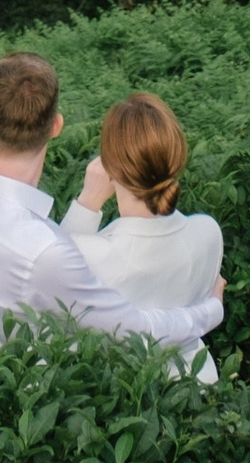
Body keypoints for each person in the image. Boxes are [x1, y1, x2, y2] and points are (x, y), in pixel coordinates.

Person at [0, 52, 223, 359]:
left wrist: (88, 203)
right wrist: (213, 309)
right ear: (56, 126)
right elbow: (137, 330)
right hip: (26, 379)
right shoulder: (46, 252)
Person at [62, 91, 222, 382]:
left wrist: (87, 203)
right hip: (198, 385)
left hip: (120, 395)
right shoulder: (208, 232)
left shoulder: (92, 254)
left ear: (110, 167)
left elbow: (48, 280)